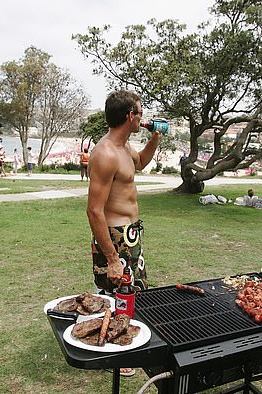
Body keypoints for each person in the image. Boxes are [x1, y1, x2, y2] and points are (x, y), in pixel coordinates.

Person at [86, 91, 161, 377]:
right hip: (115, 236)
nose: (142, 119)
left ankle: (122, 342)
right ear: (130, 116)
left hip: (131, 234)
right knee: (115, 292)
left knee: (130, 294)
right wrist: (112, 257)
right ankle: (113, 353)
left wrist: (154, 138)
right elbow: (94, 211)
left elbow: (140, 163)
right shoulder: (105, 153)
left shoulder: (124, 148)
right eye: (140, 114)